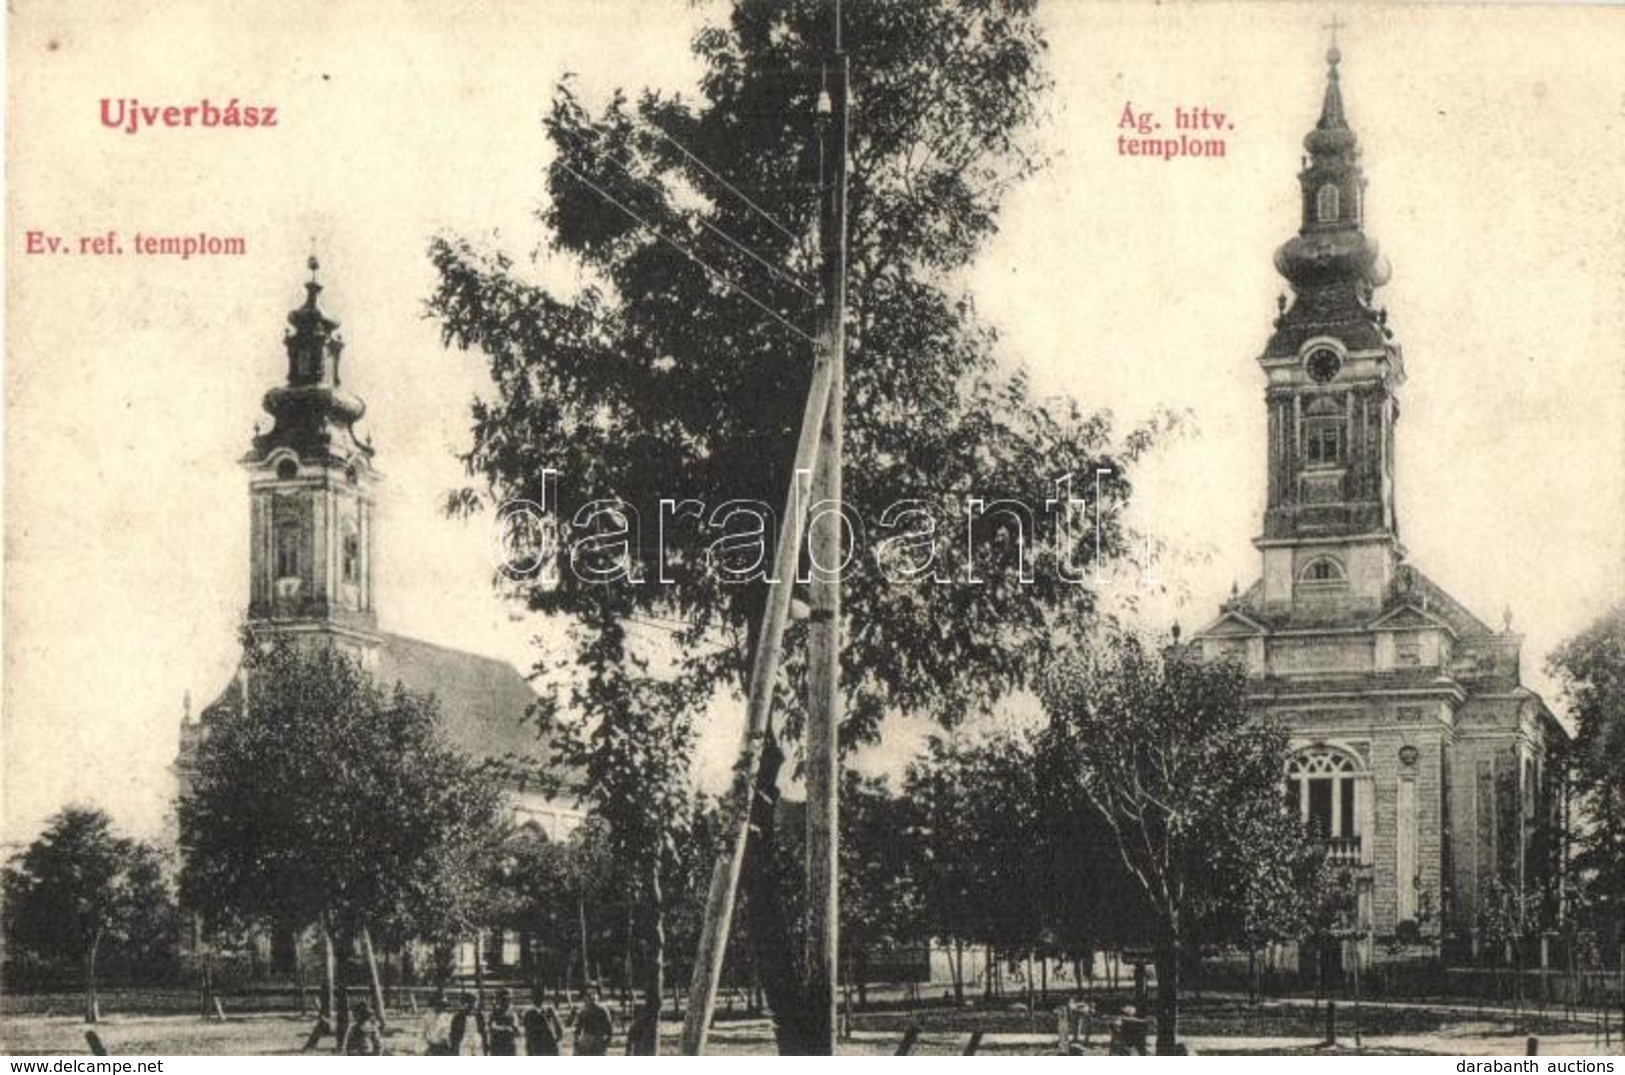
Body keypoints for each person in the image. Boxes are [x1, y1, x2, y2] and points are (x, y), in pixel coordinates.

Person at [572, 986, 614, 1056]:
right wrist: (576, 1041)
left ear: (597, 997)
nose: (592, 998)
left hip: (598, 1040)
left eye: (594, 995)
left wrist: (606, 1042)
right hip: (586, 1040)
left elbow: (609, 1029)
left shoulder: (603, 1011)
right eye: (589, 996)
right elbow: (578, 1029)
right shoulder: (583, 1012)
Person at [486, 988, 520, 1056]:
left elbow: (515, 1031)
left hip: (509, 1046)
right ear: (499, 1000)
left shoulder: (513, 1013)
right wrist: (507, 1029)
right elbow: (492, 1028)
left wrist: (501, 1029)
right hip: (497, 1046)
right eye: (503, 999)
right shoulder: (494, 1013)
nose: (506, 1001)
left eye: (508, 999)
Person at [421, 991, 454, 1056]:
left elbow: (448, 1033)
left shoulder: (447, 1017)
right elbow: (424, 1033)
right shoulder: (427, 1017)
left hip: (444, 1047)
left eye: (442, 1005)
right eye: (438, 1004)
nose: (440, 1006)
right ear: (434, 1004)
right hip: (432, 1047)